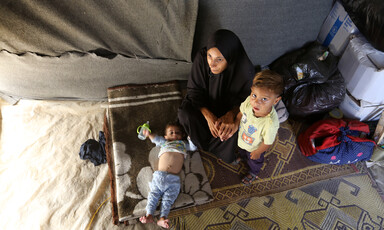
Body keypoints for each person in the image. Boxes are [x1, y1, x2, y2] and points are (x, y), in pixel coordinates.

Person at [178, 29, 255, 163]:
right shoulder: (201, 58)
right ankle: (205, 144)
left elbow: (248, 100)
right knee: (185, 114)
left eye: (219, 59)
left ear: (230, 58)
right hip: (204, 103)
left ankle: (218, 150)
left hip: (230, 110)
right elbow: (194, 91)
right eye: (209, 56)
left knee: (232, 130)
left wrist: (231, 115)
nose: (212, 64)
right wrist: (208, 116)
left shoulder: (245, 70)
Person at [139, 121, 197, 229]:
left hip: (173, 180)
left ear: (182, 135)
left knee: (168, 200)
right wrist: (148, 134)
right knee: (153, 196)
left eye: (177, 132)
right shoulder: (164, 142)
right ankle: (149, 215)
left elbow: (193, 148)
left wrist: (191, 139)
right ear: (165, 136)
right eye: (171, 132)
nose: (174, 134)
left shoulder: (184, 144)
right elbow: (155, 139)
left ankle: (162, 217)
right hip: (159, 175)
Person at [233, 70, 284, 185]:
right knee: (241, 150)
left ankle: (253, 172)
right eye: (254, 95)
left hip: (256, 147)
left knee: (254, 161)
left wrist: (258, 152)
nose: (256, 102)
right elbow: (241, 112)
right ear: (251, 90)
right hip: (242, 138)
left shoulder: (270, 123)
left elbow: (267, 142)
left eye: (264, 99)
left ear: (275, 101)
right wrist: (236, 122)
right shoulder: (248, 102)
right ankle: (242, 156)